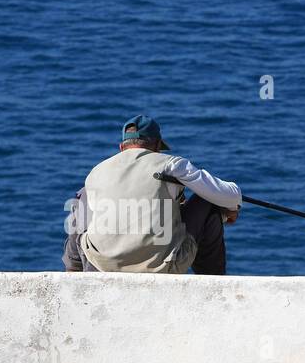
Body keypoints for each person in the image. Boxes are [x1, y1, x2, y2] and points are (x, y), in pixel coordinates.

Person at [63, 115, 241, 274]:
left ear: (121, 147)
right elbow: (231, 195)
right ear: (157, 145)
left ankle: (74, 272)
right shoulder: (170, 165)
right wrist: (228, 208)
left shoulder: (97, 172)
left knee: (82, 199)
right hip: (161, 266)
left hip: (100, 264)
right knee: (207, 201)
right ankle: (212, 282)